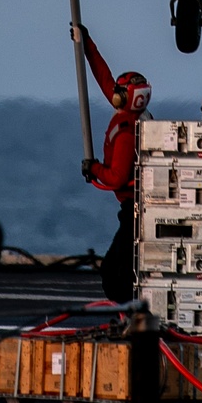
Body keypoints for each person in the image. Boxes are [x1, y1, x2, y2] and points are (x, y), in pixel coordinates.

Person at [72, 23, 151, 303]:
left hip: (134, 209)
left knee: (115, 275)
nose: (113, 91)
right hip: (136, 209)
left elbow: (117, 176)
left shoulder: (128, 130)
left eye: (119, 89)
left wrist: (93, 168)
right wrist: (87, 45)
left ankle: (137, 316)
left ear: (126, 96)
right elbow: (104, 78)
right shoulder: (136, 117)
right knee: (122, 270)